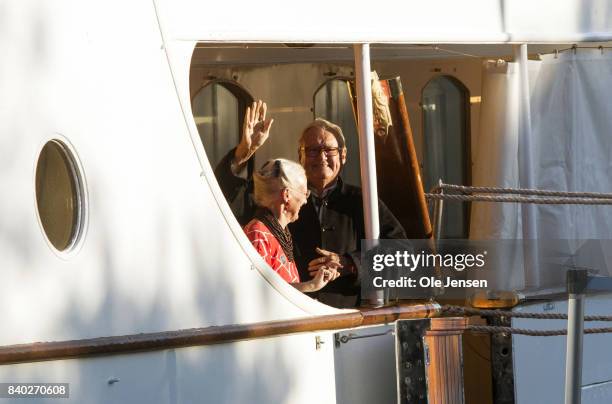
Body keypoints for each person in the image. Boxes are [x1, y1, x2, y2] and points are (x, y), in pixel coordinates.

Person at [216, 100, 406, 308]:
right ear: (301, 156)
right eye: (313, 150)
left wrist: (350, 263)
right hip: (289, 316)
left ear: (343, 156)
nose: (322, 157)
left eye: (329, 150)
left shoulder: (362, 201)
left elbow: (403, 254)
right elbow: (222, 195)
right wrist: (243, 152)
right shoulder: (276, 196)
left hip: (346, 320)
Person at [244, 158, 339, 292]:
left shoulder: (278, 232)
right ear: (287, 195)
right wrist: (311, 285)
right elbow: (260, 292)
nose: (305, 201)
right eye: (304, 193)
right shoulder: (258, 233)